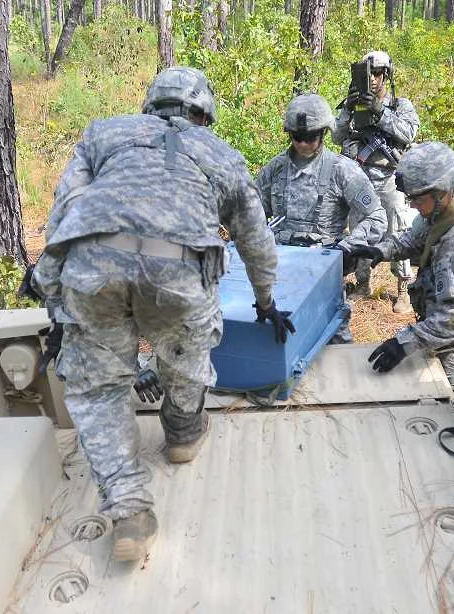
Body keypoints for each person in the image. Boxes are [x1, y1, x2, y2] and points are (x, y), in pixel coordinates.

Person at [29, 66, 295, 563]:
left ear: (150, 104)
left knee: (99, 388)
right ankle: (182, 433)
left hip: (92, 266)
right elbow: (256, 240)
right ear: (204, 113)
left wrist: (52, 289)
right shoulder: (221, 153)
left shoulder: (103, 133)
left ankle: (130, 510)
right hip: (178, 271)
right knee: (185, 357)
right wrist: (265, 302)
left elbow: (64, 212)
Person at [348, 142, 454, 386]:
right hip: (435, 332)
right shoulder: (445, 208)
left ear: (441, 192)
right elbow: (415, 238)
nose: (413, 205)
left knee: (446, 403)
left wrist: (402, 343)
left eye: (418, 199)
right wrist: (379, 251)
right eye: (410, 198)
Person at [256, 93, 387, 343]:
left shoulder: (342, 170)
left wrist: (347, 248)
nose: (304, 144)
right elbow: (252, 218)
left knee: (334, 343)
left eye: (311, 137)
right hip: (279, 272)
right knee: (276, 341)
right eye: (298, 137)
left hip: (324, 272)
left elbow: (377, 217)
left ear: (324, 133)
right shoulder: (275, 169)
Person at [333, 51, 420, 311]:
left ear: (386, 75)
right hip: (360, 177)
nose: (372, 79)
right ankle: (362, 283)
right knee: (360, 228)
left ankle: (403, 288)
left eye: (377, 74)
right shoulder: (353, 103)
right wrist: (348, 109)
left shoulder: (399, 105)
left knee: (396, 226)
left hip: (390, 177)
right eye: (367, 74)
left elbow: (409, 132)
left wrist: (380, 112)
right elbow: (337, 137)